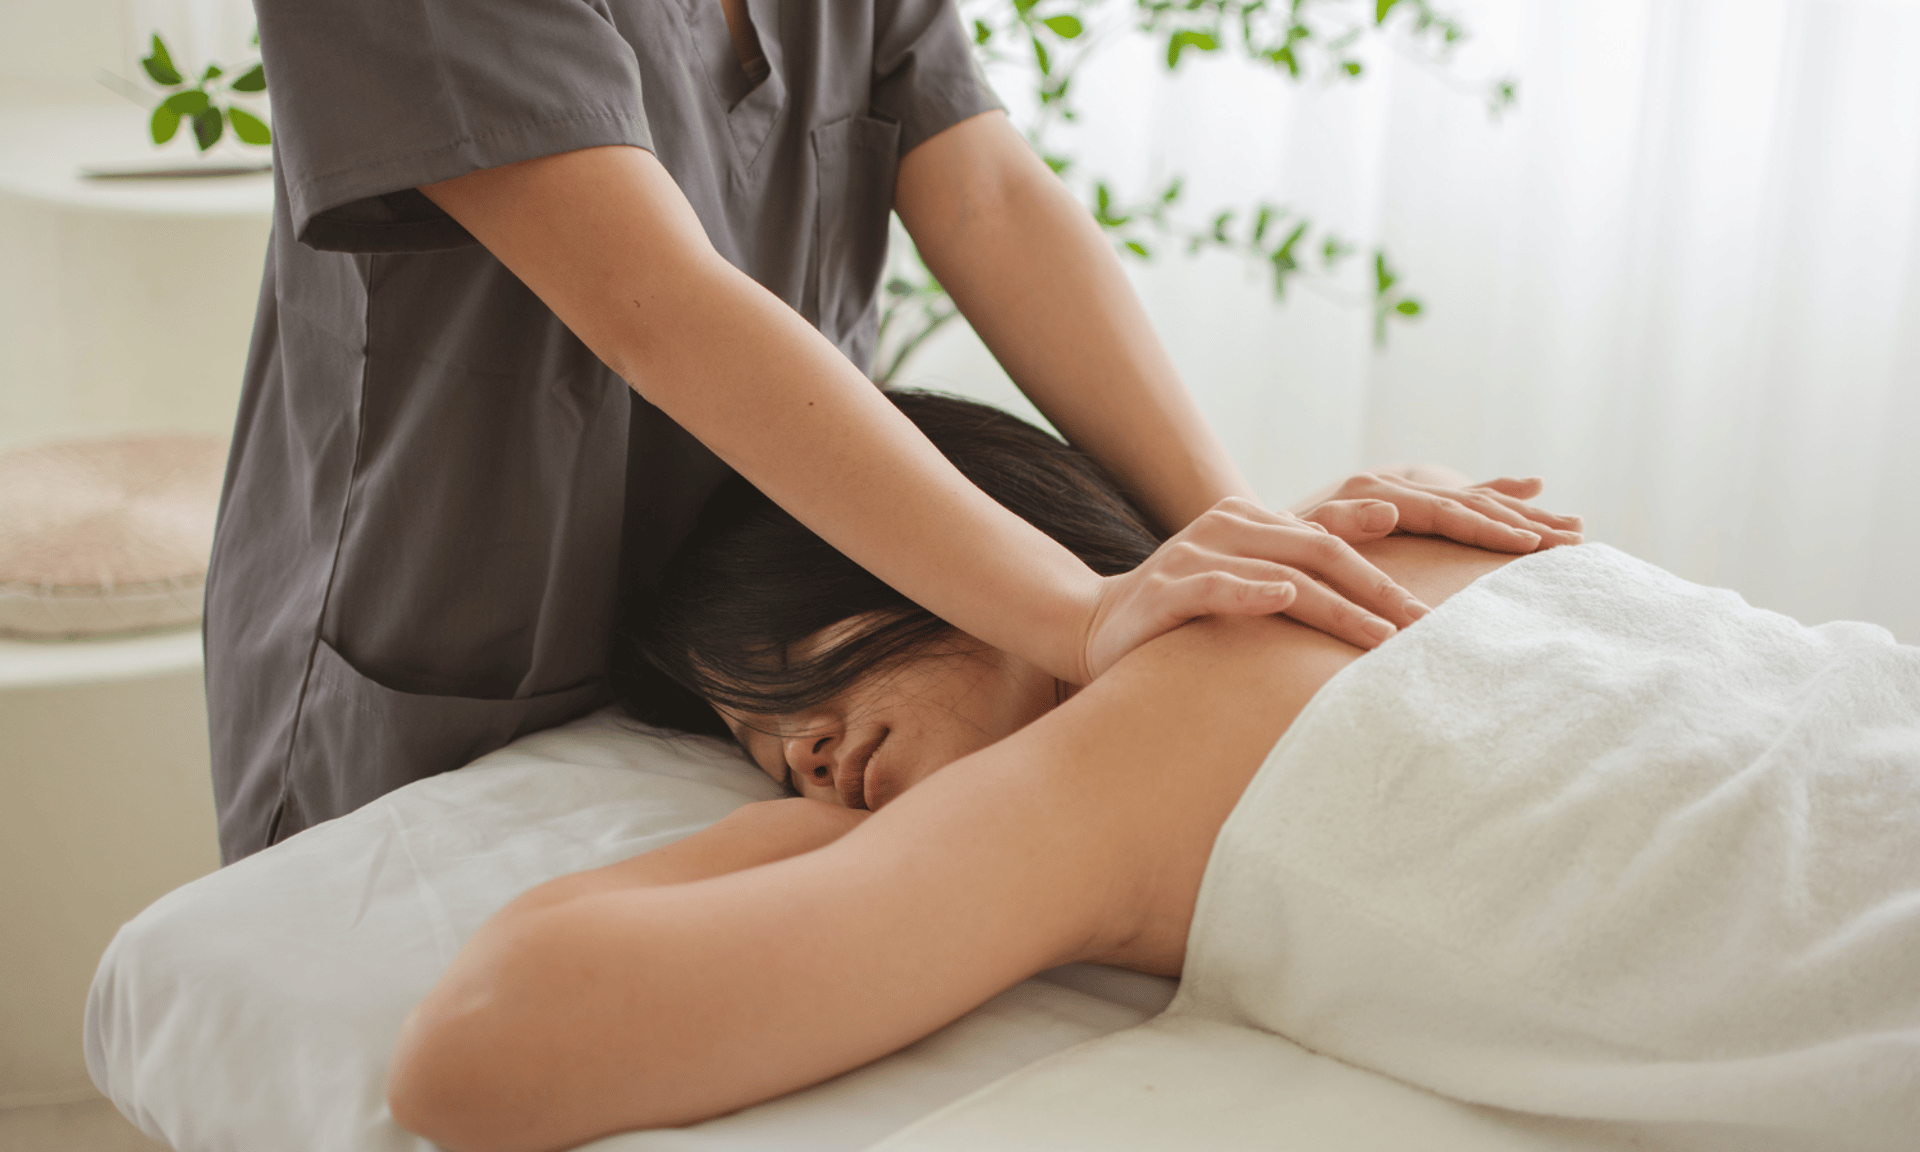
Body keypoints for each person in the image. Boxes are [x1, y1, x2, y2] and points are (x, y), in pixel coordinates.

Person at [204, 0, 1579, 862]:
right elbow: (655, 301)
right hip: (445, 629)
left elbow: (985, 194)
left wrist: (1226, 537)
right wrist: (1079, 614)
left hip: (766, 641)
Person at [385, 392, 1920, 1152]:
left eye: (795, 671)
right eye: (758, 758)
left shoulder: (1114, 766)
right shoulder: (1415, 525)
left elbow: (482, 1045)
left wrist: (795, 846)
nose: (807, 760)